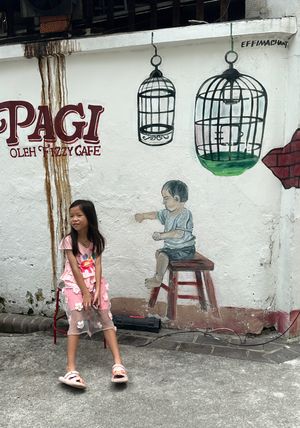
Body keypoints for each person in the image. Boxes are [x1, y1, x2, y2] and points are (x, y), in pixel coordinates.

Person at [58, 199, 128, 389]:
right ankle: (71, 369)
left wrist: (97, 289)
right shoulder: (68, 241)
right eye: (72, 216)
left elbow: (97, 265)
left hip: (94, 282)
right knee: (77, 319)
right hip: (75, 283)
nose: (74, 219)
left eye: (79, 215)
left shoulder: (97, 239)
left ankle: (118, 364)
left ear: (89, 217)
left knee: (106, 317)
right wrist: (85, 293)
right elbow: (74, 267)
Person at [135, 180, 196, 289]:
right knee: (159, 254)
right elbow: (156, 215)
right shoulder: (168, 213)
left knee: (163, 255)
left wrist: (161, 235)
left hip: (184, 249)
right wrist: (143, 216)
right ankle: (158, 275)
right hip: (173, 248)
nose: (163, 201)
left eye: (166, 198)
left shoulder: (184, 214)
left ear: (176, 198)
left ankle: (158, 279)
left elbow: (179, 233)